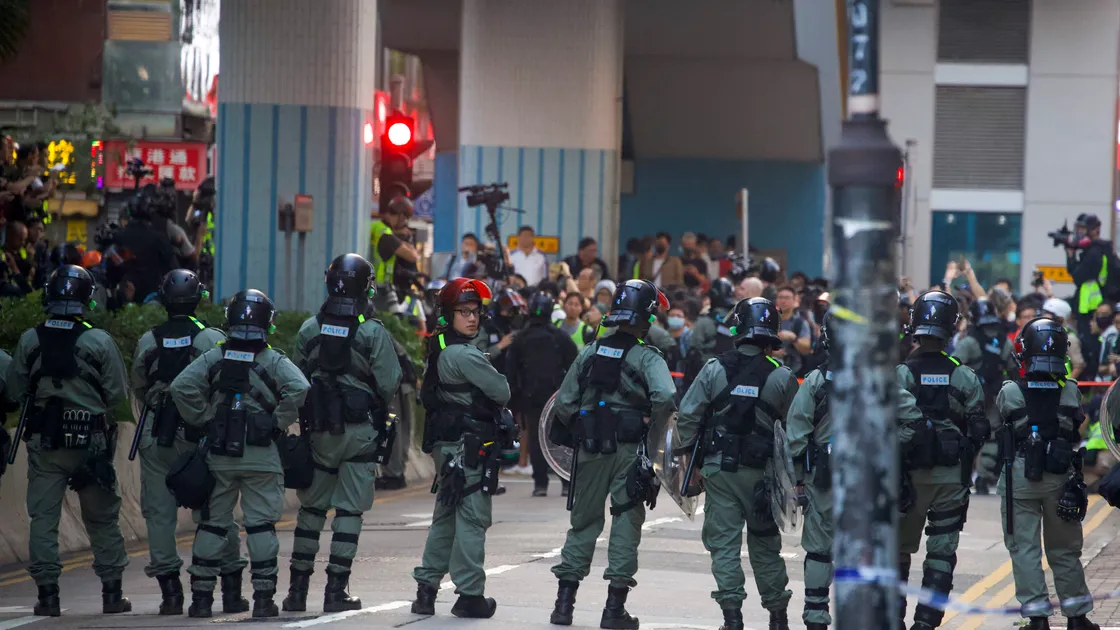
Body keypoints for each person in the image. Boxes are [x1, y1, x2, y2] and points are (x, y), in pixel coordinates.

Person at [169, 289, 311, 618]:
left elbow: (181, 387)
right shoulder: (273, 359)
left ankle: (201, 600)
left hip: (219, 454)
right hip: (262, 454)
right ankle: (263, 600)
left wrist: (206, 418)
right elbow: (301, 388)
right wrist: (276, 421)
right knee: (260, 526)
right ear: (268, 324)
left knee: (213, 526)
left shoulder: (215, 357)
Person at [548, 279, 676, 630]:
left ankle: (563, 605)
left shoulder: (590, 352)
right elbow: (666, 396)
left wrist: (583, 425)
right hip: (628, 452)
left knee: (583, 523)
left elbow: (563, 403)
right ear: (646, 318)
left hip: (590, 451)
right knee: (625, 522)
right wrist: (651, 431)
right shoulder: (647, 357)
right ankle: (613, 610)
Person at [785, 313, 926, 630]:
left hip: (825, 481)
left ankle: (817, 619)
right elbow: (913, 422)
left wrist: (799, 482)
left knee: (820, 552)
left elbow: (795, 439)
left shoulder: (816, 382)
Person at [5, 265, 131, 616]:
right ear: (86, 299)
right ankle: (112, 594)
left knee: (43, 519)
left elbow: (15, 392)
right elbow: (117, 393)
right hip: (90, 444)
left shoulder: (30, 339)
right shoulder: (99, 340)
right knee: (102, 518)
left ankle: (48, 597)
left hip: (46, 444)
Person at [281, 254, 403, 612]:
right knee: (349, 510)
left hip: (318, 431)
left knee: (312, 508)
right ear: (366, 286)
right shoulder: (372, 331)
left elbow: (295, 376)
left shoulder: (310, 328)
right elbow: (389, 382)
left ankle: (296, 591)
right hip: (360, 430)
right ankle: (336, 591)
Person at [675, 297, 797, 630]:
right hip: (764, 477)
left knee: (724, 546)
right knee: (765, 546)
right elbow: (794, 431)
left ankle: (732, 619)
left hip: (719, 472)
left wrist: (689, 462)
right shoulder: (782, 377)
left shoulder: (714, 368)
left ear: (738, 328)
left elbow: (687, 417)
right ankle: (778, 617)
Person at [131, 270, 243, 616]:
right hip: (201, 440)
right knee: (216, 511)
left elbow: (137, 387)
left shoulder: (148, 341)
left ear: (163, 300)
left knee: (159, 515)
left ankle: (171, 596)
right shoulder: (212, 339)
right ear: (199, 298)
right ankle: (229, 591)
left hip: (155, 438)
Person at [411, 277, 513, 619]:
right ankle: (470, 594)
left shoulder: (440, 346)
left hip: (448, 447)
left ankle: (426, 590)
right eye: (464, 312)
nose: (472, 318)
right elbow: (502, 391)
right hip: (467, 447)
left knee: (445, 517)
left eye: (475, 312)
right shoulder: (463, 354)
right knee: (472, 519)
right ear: (448, 314)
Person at [996, 318, 1099, 630]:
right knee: (1065, 549)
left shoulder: (1011, 391)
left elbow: (1003, 418)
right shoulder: (1069, 391)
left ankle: (1038, 619)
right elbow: (1076, 424)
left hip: (1020, 480)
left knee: (1024, 548)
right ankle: (1077, 617)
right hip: (1061, 479)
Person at [896, 290, 987, 630]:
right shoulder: (964, 376)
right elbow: (978, 428)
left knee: (898, 553)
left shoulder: (901, 374)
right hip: (951, 477)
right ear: (953, 327)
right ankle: (926, 623)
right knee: (941, 554)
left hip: (907, 478)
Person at [505, 291, 579, 496]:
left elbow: (511, 372)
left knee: (537, 441)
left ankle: (540, 483)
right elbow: (575, 365)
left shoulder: (520, 339)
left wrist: (515, 399)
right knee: (561, 438)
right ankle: (565, 482)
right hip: (557, 397)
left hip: (531, 398)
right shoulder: (560, 337)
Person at [953, 298, 1016, 496]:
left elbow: (954, 366)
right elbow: (1013, 367)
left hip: (968, 395)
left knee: (962, 433)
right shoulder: (1003, 339)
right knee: (991, 437)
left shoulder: (970, 341)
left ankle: (960, 476)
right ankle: (982, 477)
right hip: (994, 395)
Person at [1067, 213, 1114, 342]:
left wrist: (1071, 256)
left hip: (1094, 307)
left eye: (1083, 228)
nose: (1080, 232)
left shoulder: (1094, 252)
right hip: (1092, 306)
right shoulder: (1098, 249)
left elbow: (1077, 276)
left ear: (1094, 230)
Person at [369, 196, 420, 310]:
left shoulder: (379, 227)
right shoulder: (386, 234)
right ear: (400, 216)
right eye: (405, 218)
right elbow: (413, 256)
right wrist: (401, 237)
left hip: (377, 287)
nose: (405, 222)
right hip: (381, 290)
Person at [685, 277, 738, 386]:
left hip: (708, 374)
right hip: (736, 373)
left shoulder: (704, 321)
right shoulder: (740, 318)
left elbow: (694, 347)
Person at [472, 287, 526, 370]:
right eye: (507, 310)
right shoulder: (486, 328)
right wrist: (499, 346)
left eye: (513, 311)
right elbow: (477, 359)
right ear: (498, 309)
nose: (510, 314)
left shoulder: (516, 327)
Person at [774, 285, 812, 376]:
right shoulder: (769, 320)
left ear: (794, 300)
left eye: (787, 298)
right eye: (780, 297)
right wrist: (772, 351)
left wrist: (794, 338)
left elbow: (807, 348)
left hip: (794, 371)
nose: (783, 301)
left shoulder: (800, 323)